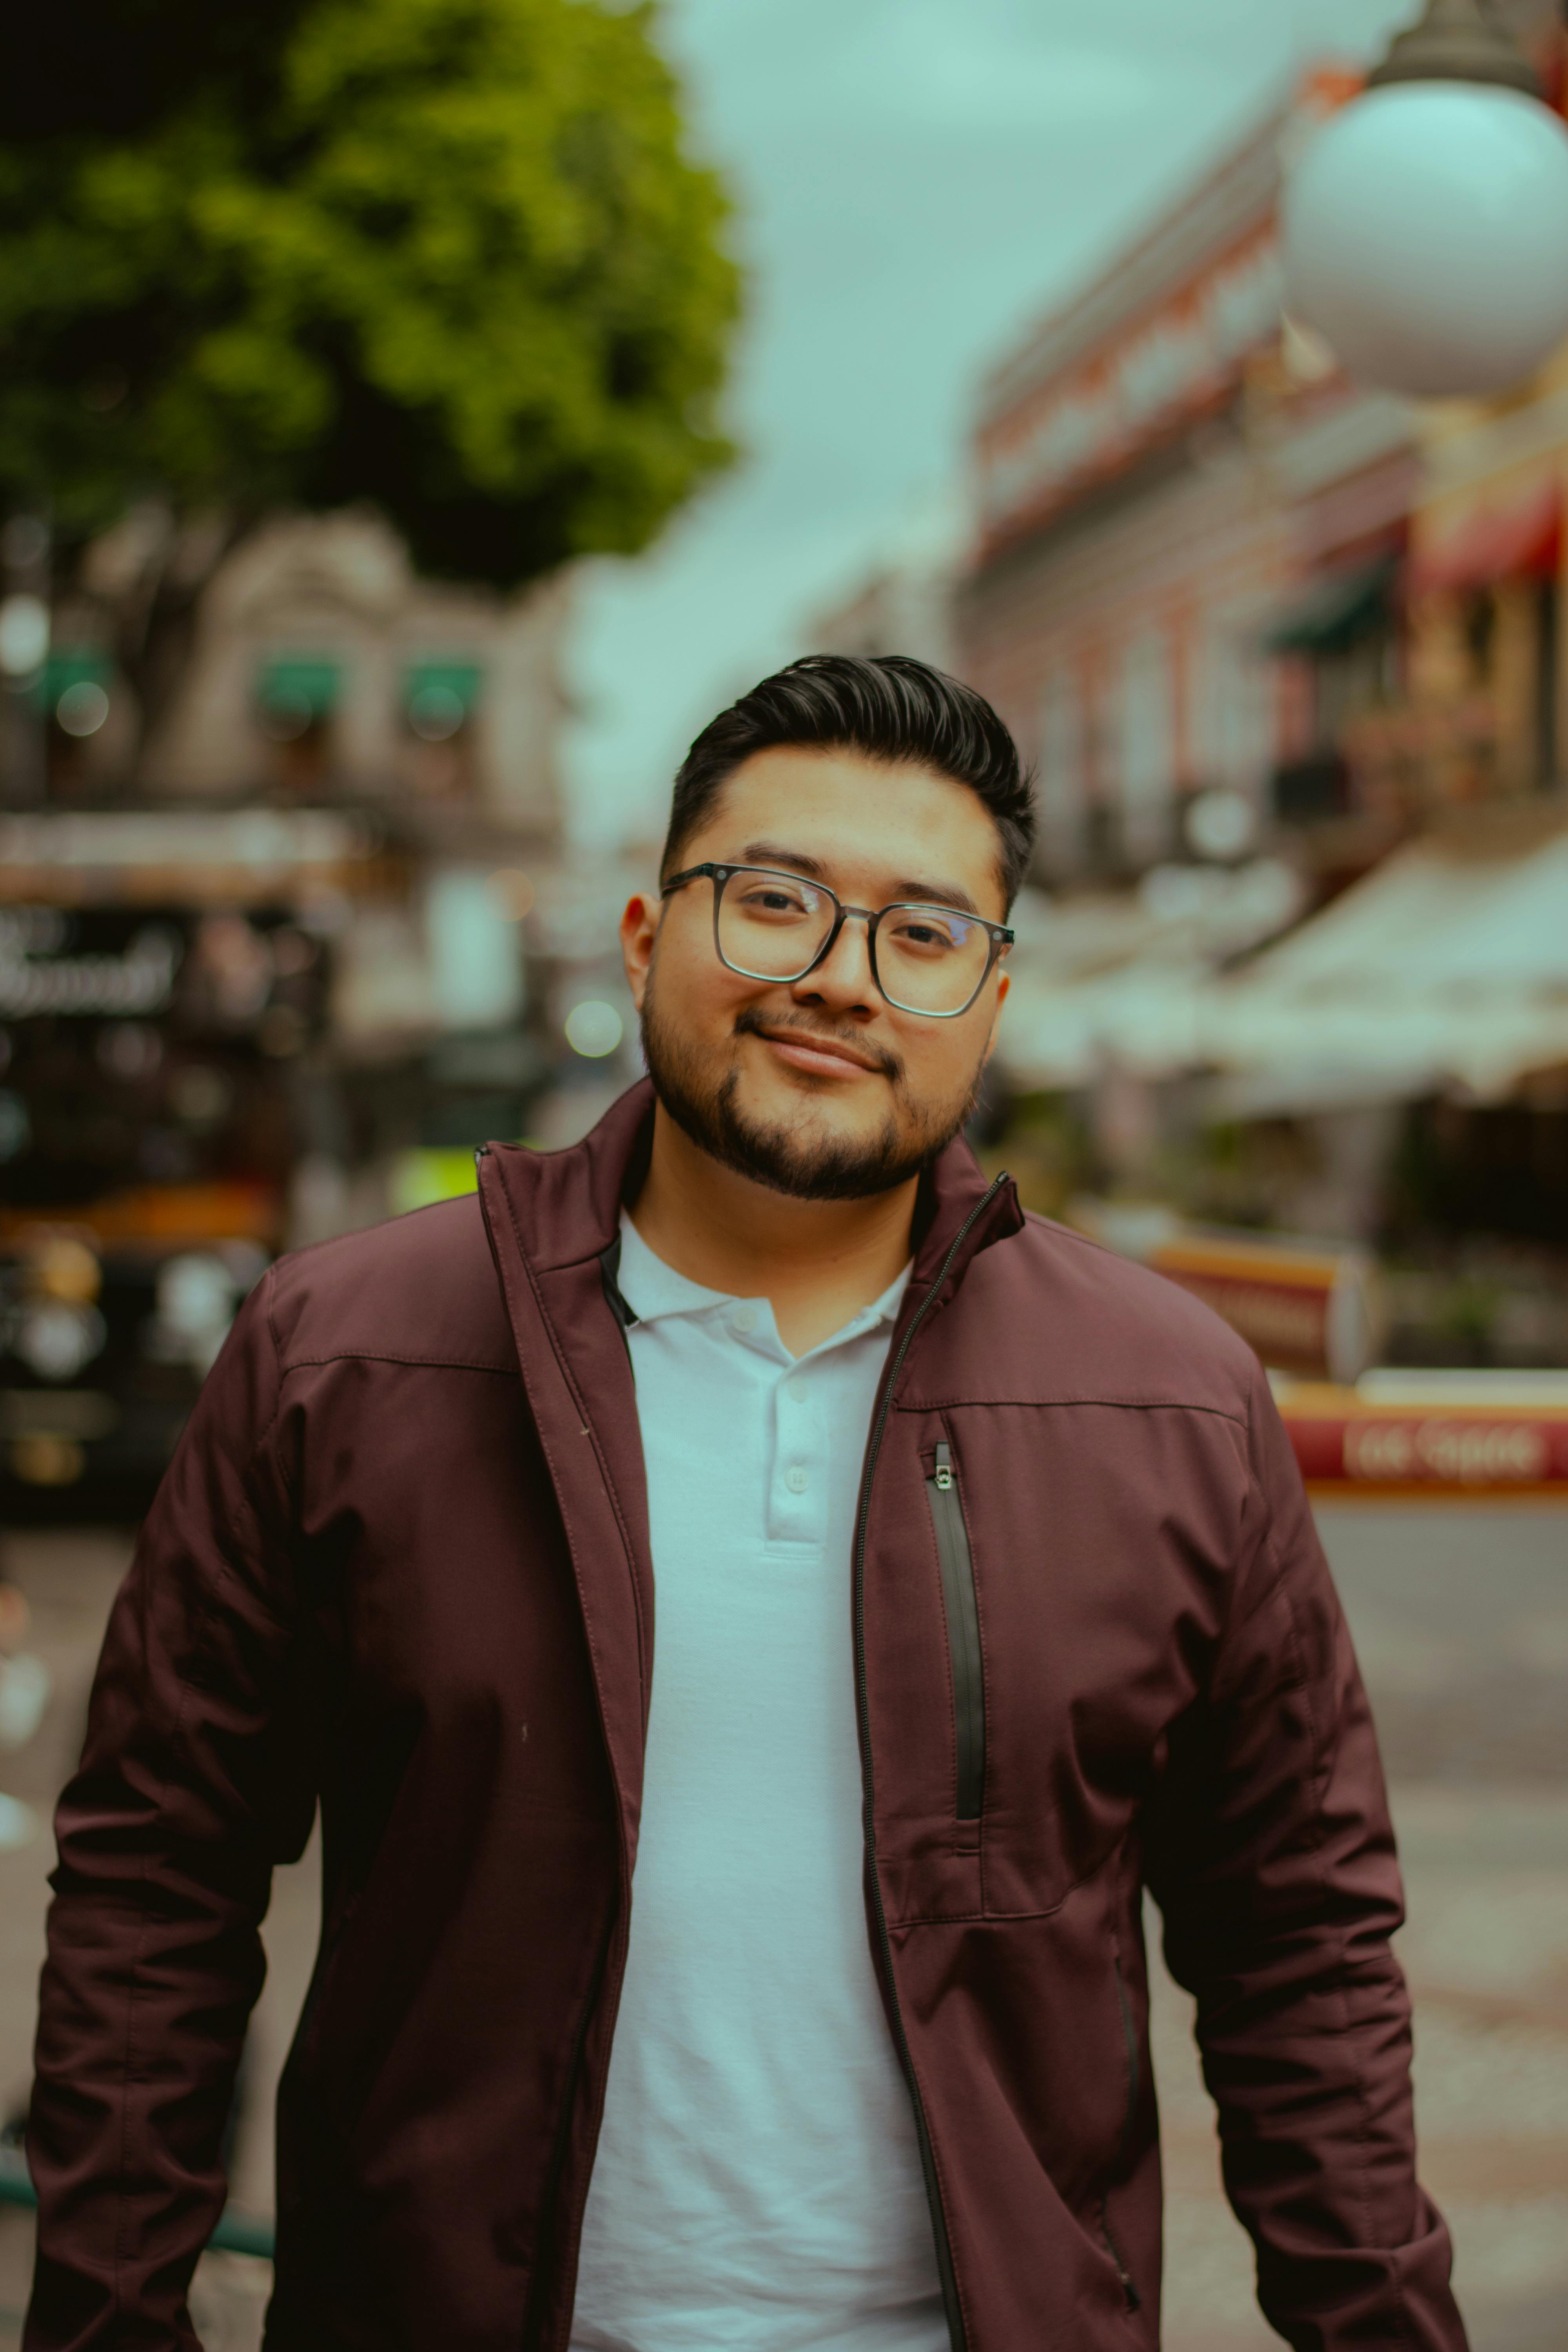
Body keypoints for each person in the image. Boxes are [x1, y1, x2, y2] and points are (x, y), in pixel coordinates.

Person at [24, 656, 1465, 2352]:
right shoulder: (342, 1355)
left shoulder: (1170, 1402)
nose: (841, 978)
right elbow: (159, 1880)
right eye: (776, 901)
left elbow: (1301, 1943)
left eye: (923, 933)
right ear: (647, 938)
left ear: (993, 998)